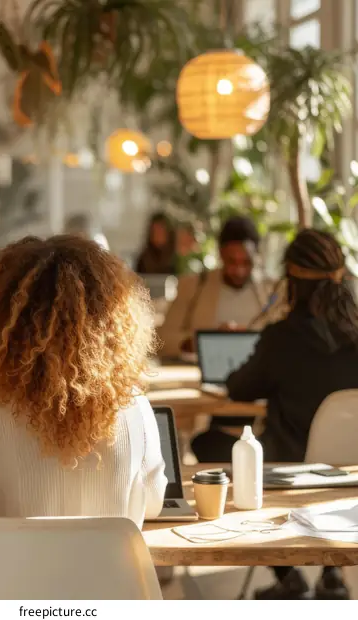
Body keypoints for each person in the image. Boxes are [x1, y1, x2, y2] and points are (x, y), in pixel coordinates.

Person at [0, 235, 167, 541]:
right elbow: (154, 505)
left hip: (17, 586)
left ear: (2, 324)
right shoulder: (135, 408)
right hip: (112, 586)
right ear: (110, 323)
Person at [226, 229, 358, 600]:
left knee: (210, 443)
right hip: (352, 476)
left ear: (292, 282)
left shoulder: (281, 338)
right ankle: (333, 573)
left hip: (289, 475)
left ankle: (287, 576)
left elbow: (239, 388)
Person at [160, 216, 282, 463]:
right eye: (231, 261)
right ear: (220, 255)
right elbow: (160, 339)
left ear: (257, 257)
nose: (238, 269)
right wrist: (195, 342)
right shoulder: (194, 286)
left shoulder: (272, 291)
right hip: (204, 390)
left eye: (245, 262)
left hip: (256, 392)